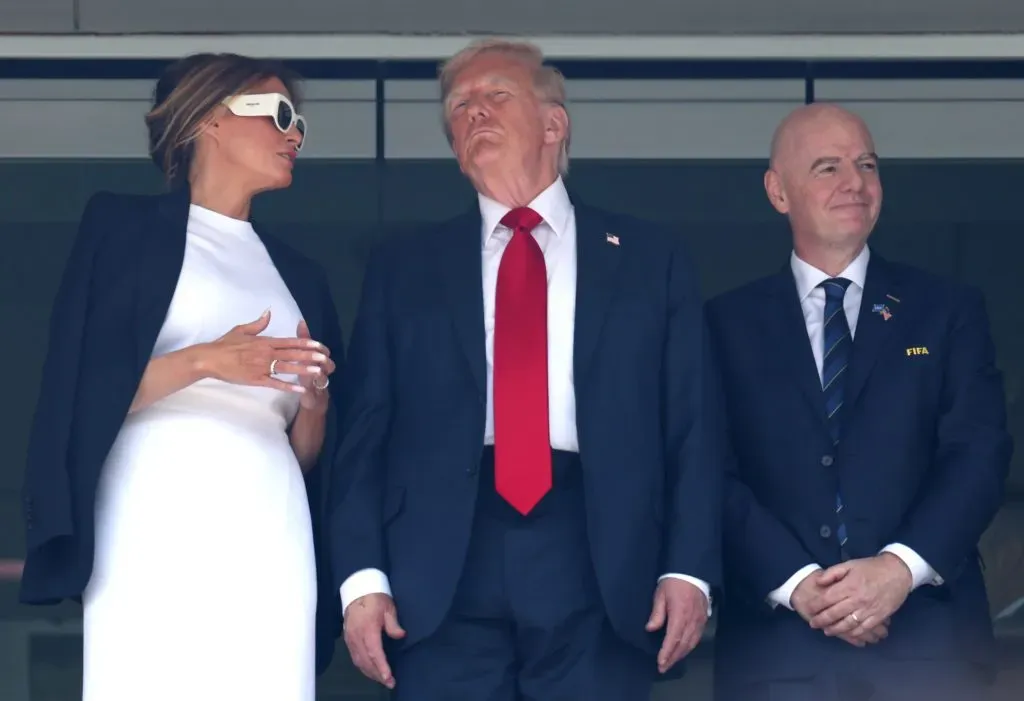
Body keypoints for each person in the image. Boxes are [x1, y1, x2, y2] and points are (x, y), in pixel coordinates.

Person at [329, 39, 721, 701]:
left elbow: (692, 423)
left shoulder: (650, 258)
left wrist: (689, 568)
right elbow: (365, 433)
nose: (474, 112)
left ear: (553, 123)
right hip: (439, 560)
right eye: (460, 106)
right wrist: (362, 580)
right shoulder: (405, 267)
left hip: (601, 550)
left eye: (495, 96)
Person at [19, 53, 345, 700]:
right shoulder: (123, 229)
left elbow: (308, 457)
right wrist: (206, 361)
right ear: (210, 120)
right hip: (151, 518)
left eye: (299, 121)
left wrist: (314, 403)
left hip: (270, 526)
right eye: (279, 114)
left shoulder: (301, 275)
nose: (296, 134)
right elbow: (77, 398)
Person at [707, 102, 1013, 701]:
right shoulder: (721, 324)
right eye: (827, 167)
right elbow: (708, 473)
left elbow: (978, 453)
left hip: (929, 642)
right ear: (777, 191)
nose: (855, 182)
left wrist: (898, 569)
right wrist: (799, 585)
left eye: (866, 164)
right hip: (778, 648)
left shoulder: (947, 309)